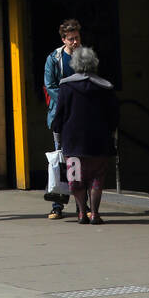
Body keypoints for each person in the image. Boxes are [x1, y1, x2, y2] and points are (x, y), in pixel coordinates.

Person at [51, 46, 118, 225]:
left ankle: (81, 212)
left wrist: (57, 135)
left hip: (73, 142)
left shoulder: (66, 86)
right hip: (100, 142)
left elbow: (60, 115)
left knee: (76, 179)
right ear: (94, 63)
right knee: (97, 177)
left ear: (75, 64)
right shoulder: (106, 87)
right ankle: (95, 213)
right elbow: (113, 116)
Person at [43, 19, 82, 219]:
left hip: (82, 116)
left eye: (77, 38)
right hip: (61, 115)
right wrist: (67, 101)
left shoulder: (86, 57)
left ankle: (80, 204)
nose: (75, 42)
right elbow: (50, 84)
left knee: (79, 159)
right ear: (63, 39)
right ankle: (57, 204)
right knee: (60, 159)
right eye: (71, 39)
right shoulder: (54, 59)